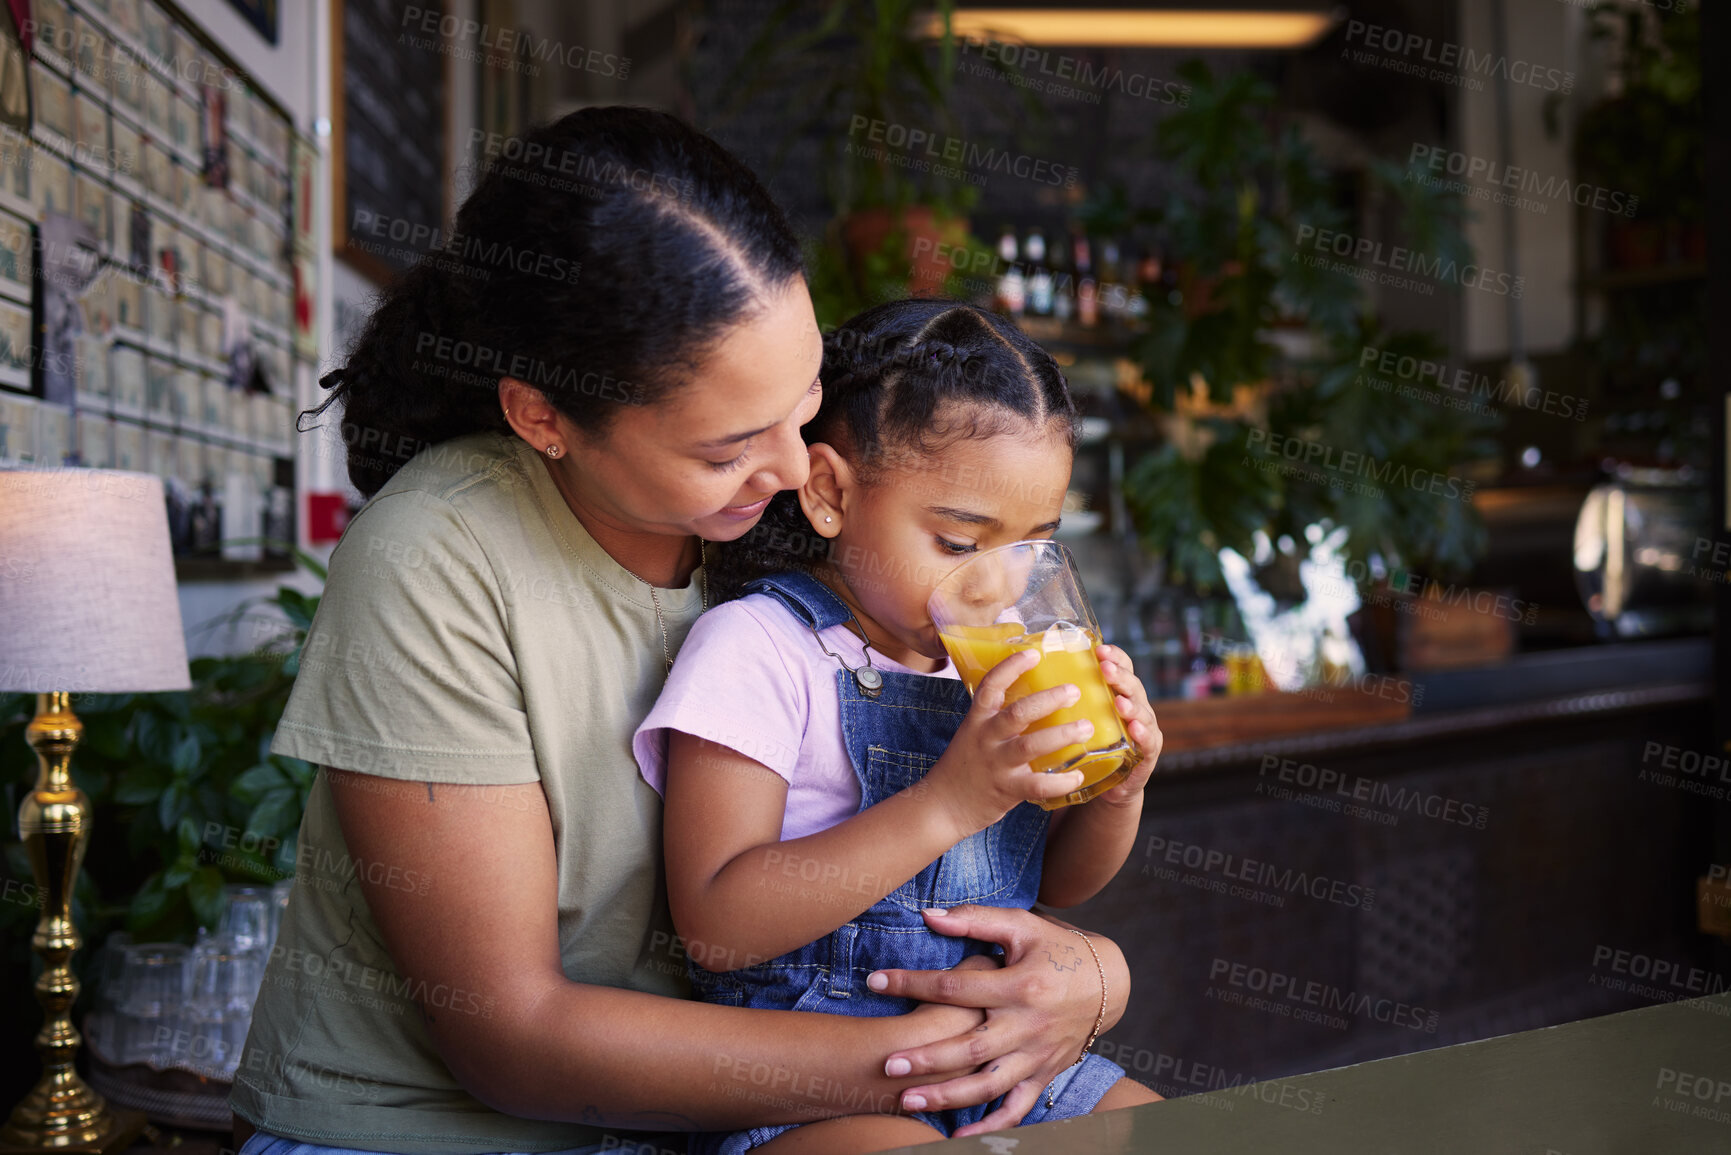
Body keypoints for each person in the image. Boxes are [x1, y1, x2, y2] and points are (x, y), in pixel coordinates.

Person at [231, 108, 1141, 1155]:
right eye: (726, 448)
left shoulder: (789, 530)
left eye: (803, 408)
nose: (797, 471)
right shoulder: (437, 558)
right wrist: (965, 1056)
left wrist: (1090, 981)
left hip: (715, 1114)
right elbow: (513, 1042)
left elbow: (953, 864)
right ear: (543, 419)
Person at [635, 299, 1164, 1154]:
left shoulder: (981, 663)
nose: (998, 587)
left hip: (1004, 1061)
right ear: (830, 492)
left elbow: (1058, 883)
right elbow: (715, 925)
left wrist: (1114, 789)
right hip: (816, 1088)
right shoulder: (761, 649)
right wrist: (950, 800)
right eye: (959, 544)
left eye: (1034, 544)